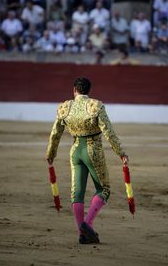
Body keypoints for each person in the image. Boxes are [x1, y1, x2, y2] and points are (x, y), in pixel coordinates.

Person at [46, 76, 128, 244]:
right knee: (104, 190)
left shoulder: (64, 107)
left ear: (74, 90)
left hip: (75, 151)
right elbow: (109, 132)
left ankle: (82, 233)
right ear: (89, 91)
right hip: (93, 150)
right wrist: (120, 152)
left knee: (77, 193)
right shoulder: (95, 105)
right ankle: (87, 224)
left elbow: (55, 133)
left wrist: (51, 154)